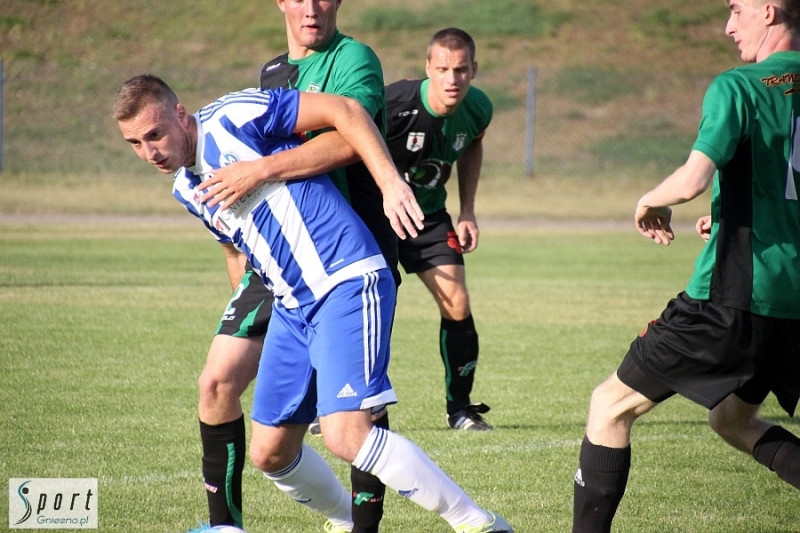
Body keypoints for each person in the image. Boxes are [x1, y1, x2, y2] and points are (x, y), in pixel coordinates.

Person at [113, 74, 513, 533]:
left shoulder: (234, 115)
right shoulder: (186, 188)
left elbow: (346, 111)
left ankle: (480, 524)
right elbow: (239, 250)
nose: (150, 152)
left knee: (345, 434)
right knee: (270, 452)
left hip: (345, 279)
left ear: (180, 114)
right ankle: (345, 520)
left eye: (155, 134)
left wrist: (390, 183)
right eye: (135, 143)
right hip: (291, 308)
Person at [571, 1, 800, 531]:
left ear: (768, 11)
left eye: (736, 10)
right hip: (793, 305)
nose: (728, 25)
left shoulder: (739, 87)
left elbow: (694, 179)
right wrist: (727, 217)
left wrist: (649, 200)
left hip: (734, 298)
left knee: (609, 407)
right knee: (733, 420)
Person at [195, 1, 398, 530]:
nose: (310, 7)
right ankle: (224, 526)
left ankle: (366, 525)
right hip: (275, 261)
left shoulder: (353, 58)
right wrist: (243, 274)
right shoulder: (271, 74)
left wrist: (261, 169)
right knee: (216, 383)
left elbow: (349, 136)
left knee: (357, 411)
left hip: (343, 251)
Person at [383, 28, 493, 431]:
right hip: (377, 218)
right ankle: (340, 408)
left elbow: (473, 145)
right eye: (443, 69)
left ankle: (460, 409)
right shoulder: (392, 104)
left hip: (428, 217)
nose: (452, 79)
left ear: (473, 70)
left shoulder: (478, 107)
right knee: (365, 309)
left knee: (457, 303)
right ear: (428, 68)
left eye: (461, 70)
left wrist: (467, 211)